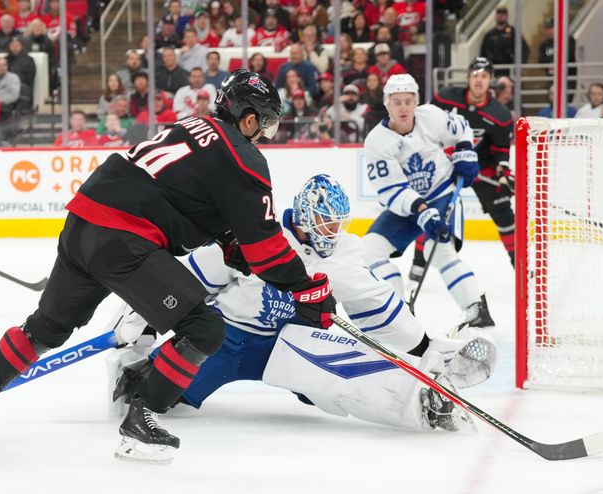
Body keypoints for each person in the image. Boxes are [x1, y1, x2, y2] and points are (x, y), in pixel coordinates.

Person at [0, 69, 336, 465]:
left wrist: (226, 239)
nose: (263, 134)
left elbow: (181, 194)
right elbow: (265, 247)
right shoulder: (242, 155)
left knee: (47, 326)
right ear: (249, 117)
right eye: (263, 123)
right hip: (124, 239)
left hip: (83, 223)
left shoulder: (191, 125)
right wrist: (306, 288)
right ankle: (141, 423)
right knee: (204, 328)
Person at [109, 175, 496, 431]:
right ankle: (138, 370)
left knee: (342, 370)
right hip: (222, 338)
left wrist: (425, 347)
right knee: (151, 397)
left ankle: (425, 402)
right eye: (326, 222)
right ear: (306, 216)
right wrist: (143, 322)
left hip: (290, 341)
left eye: (338, 223)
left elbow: (376, 304)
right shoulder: (258, 235)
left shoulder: (342, 253)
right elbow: (190, 278)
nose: (334, 231)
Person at [361, 73, 495, 329]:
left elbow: (462, 127)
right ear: (387, 103)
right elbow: (392, 190)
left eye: (409, 101)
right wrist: (422, 211)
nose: (403, 108)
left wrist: (465, 151)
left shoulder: (431, 116)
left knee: (441, 253)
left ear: (416, 102)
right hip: (406, 207)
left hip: (441, 193)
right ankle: (398, 312)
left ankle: (476, 309)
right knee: (369, 250)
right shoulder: (377, 142)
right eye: (397, 101)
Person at [425, 57, 515, 268]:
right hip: (447, 162)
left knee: (504, 214)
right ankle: (418, 268)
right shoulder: (446, 98)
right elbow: (426, 123)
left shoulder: (500, 115)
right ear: (468, 78)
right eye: (475, 75)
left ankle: (521, 267)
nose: (479, 80)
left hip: (481, 167)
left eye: (484, 76)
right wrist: (438, 150)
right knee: (430, 211)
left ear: (490, 80)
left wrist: (503, 174)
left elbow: (501, 150)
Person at [478, 6, 529, 77]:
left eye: (503, 14)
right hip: (494, 69)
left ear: (507, 16)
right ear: (495, 16)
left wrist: (519, 65)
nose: (500, 16)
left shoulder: (514, 32)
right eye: (498, 13)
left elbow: (524, 50)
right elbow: (483, 53)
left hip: (510, 69)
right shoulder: (489, 35)